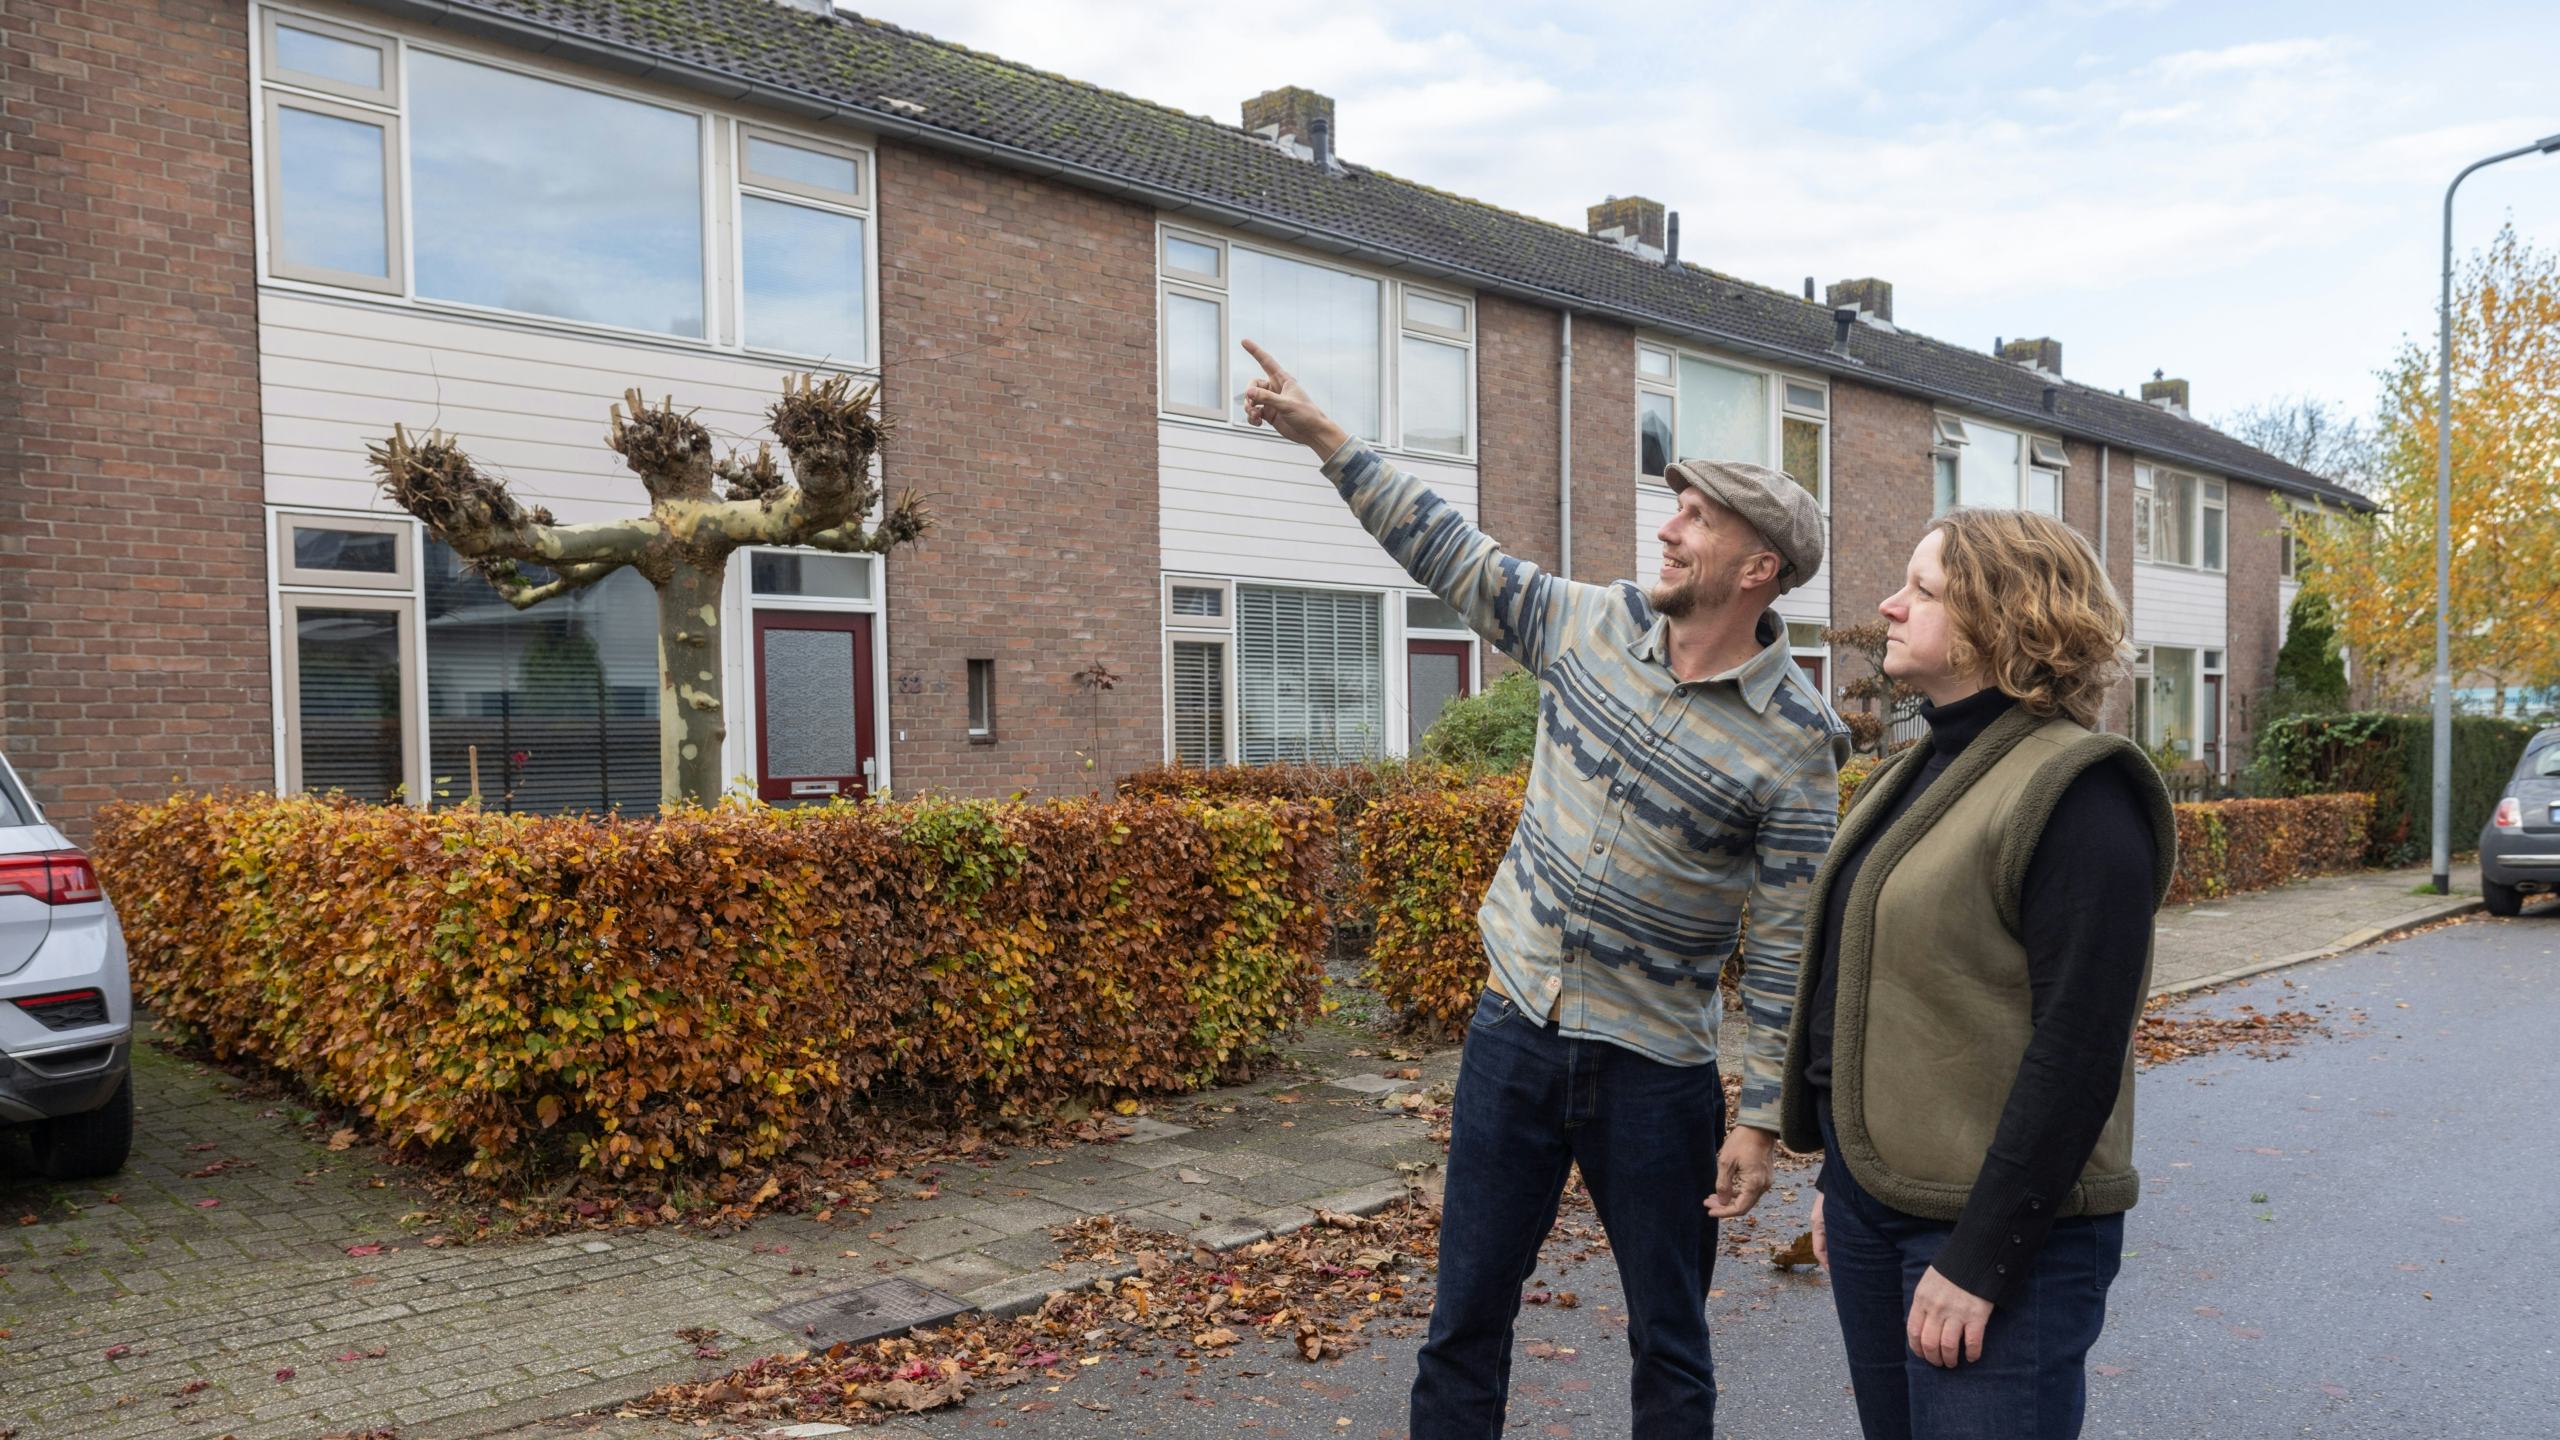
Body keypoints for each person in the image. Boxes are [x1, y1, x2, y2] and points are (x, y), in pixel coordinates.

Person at [1240, 338, 1844, 1440]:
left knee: (1671, 1342)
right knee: (1463, 1322)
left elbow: (1788, 946)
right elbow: (1451, 552)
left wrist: (1760, 1119)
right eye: (1677, 511)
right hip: (1514, 1034)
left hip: (1657, 1078)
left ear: (1757, 566)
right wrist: (1325, 437)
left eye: (1696, 518)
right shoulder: (1587, 625)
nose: (1666, 528)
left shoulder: (1798, 742)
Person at [1777, 508, 2177, 1440]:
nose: (1889, 605)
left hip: (1993, 1234)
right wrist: (1847, 1174)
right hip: (1882, 1205)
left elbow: (2078, 1051)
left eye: (1923, 590)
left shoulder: (2080, 791)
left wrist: (1980, 1259)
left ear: (2009, 620)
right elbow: (1880, 992)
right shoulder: (1919, 768)